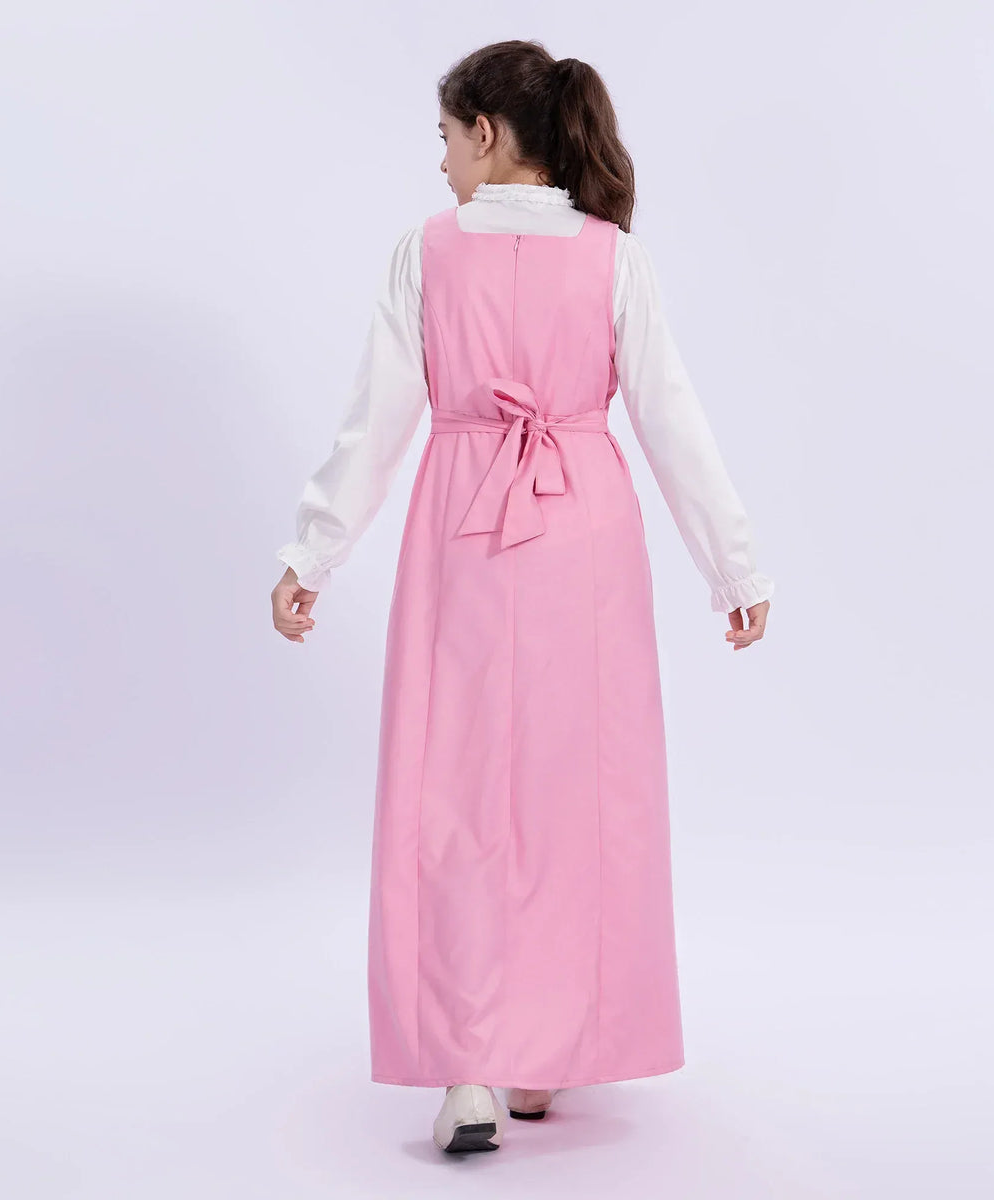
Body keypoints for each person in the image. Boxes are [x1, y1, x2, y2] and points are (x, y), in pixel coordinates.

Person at [270, 40, 774, 1155]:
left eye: (447, 138)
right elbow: (671, 417)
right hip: (583, 533)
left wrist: (313, 554)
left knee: (455, 788)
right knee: (571, 792)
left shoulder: (425, 252)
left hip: (462, 527)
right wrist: (732, 568)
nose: (443, 162)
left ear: (489, 134)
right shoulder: (614, 259)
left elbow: (376, 420)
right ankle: (543, 1052)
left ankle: (470, 1065)